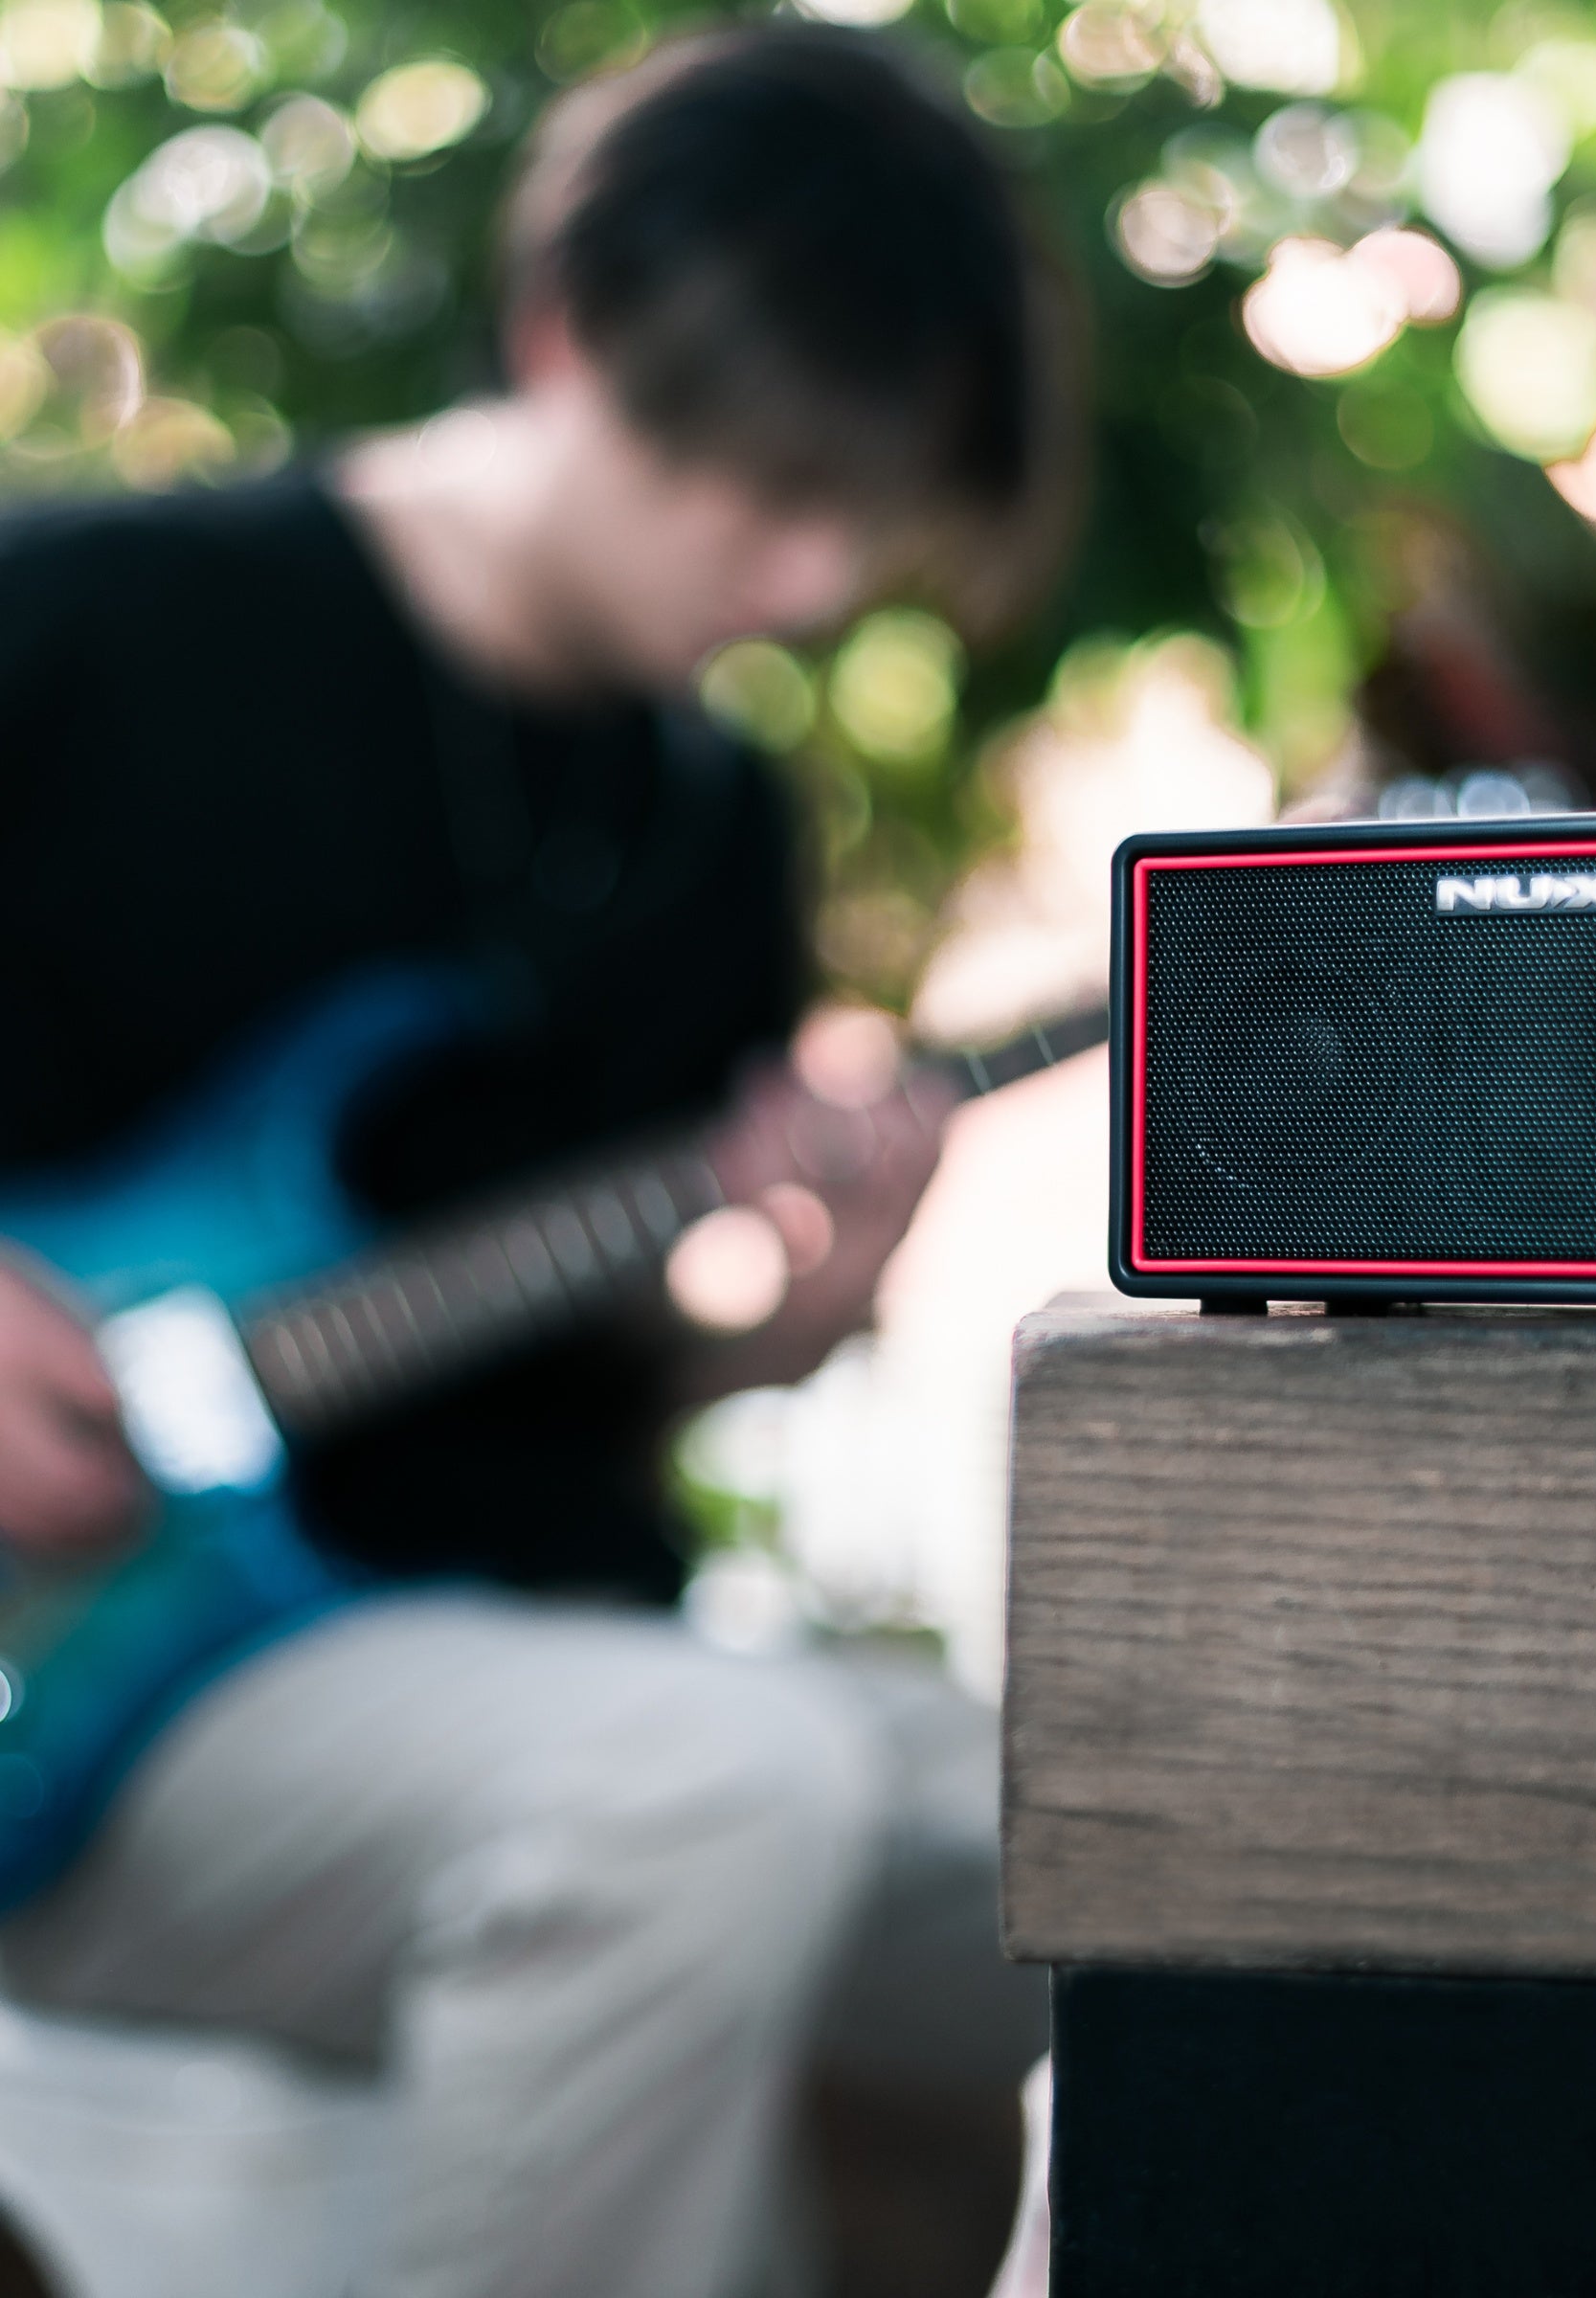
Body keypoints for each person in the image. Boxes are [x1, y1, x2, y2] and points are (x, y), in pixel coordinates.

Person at [0, 22, 1070, 2298]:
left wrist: (808, 1293)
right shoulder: (94, 624)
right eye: (757, 484)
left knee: (1144, 1839)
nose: (802, 574)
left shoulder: (713, 825)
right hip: (104, 1699)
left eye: (861, 514)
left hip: (490, 1638)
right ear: (566, 329)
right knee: (700, 1793)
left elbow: (608, 1392)